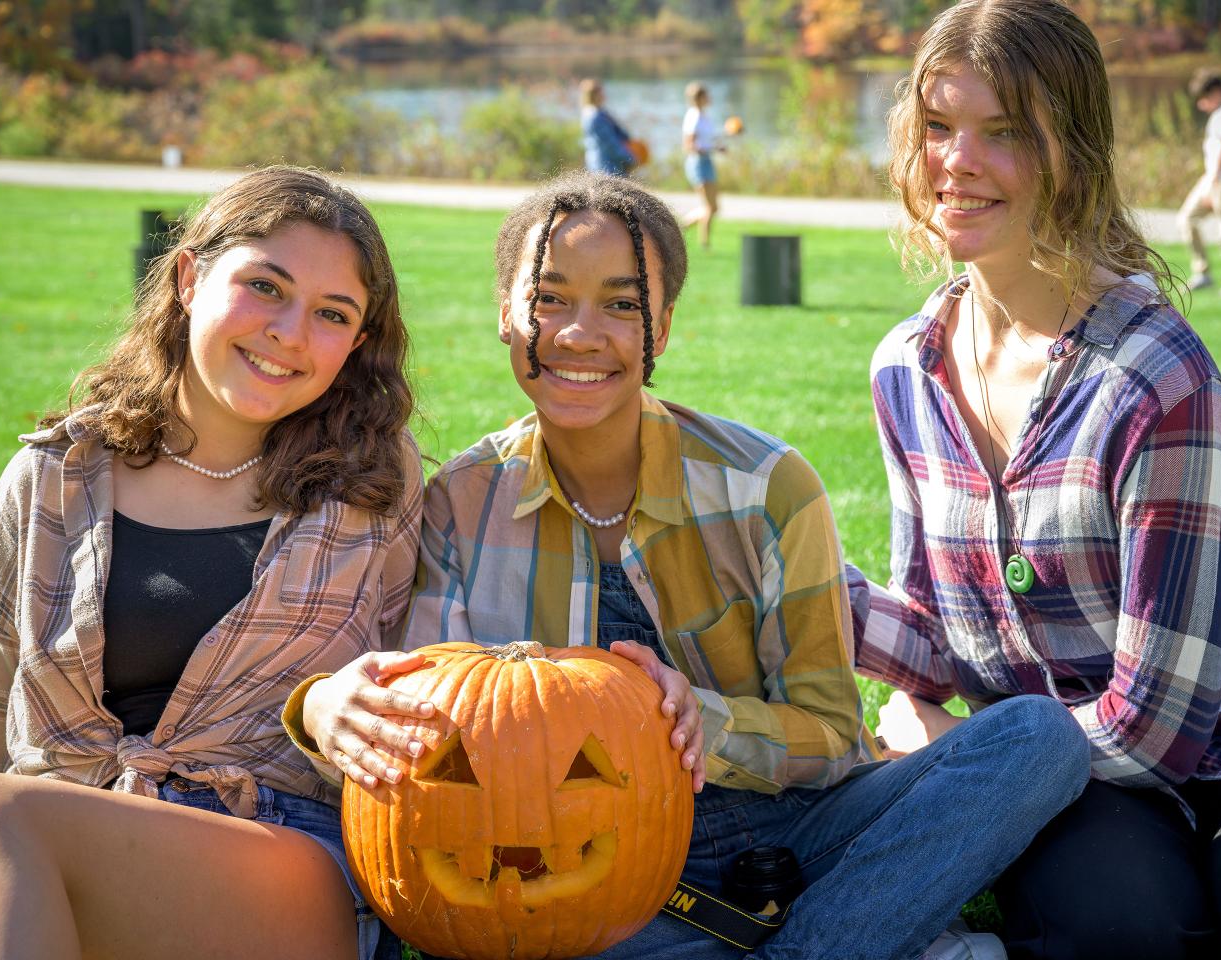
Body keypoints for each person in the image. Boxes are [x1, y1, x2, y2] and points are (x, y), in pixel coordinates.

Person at [288, 171, 1090, 960]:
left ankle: (794, 944)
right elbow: (433, 735)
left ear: (661, 329)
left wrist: (700, 722)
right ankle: (857, 933)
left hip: (798, 827)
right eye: (551, 298)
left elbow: (831, 730)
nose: (580, 333)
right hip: (589, 868)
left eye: (622, 304)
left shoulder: (765, 486)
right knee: (540, 935)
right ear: (506, 314)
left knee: (1035, 738)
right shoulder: (464, 499)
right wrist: (326, 704)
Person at [853, 2, 1221, 958]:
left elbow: (1155, 731)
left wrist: (952, 750)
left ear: (1070, 153)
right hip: (1061, 749)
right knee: (1123, 929)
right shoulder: (906, 368)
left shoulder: (1153, 378)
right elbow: (941, 636)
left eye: (1004, 134)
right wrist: (790, 597)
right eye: (939, 129)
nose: (956, 162)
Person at [0, 166, 422, 960]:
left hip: (277, 853)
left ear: (356, 343)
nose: (289, 331)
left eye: (332, 314)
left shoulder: (375, 488)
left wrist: (321, 704)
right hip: (56, 843)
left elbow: (465, 685)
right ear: (188, 277)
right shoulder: (55, 477)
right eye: (265, 287)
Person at [1177, 69, 1221, 296]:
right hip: (1211, 178)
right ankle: (1203, 272)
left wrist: (1214, 180)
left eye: (1205, 97)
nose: (1203, 102)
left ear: (1216, 92)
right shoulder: (1218, 112)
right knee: (1187, 218)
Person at [681, 81, 720, 249]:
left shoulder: (704, 116)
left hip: (707, 161)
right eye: (706, 95)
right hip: (698, 163)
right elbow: (689, 145)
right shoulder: (694, 116)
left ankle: (681, 228)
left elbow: (707, 141)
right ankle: (704, 243)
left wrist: (717, 147)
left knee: (713, 207)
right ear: (700, 98)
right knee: (708, 207)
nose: (709, 98)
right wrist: (711, 148)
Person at [580, 78, 637, 178]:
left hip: (596, 163)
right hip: (606, 166)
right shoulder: (595, 117)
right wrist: (629, 158)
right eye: (601, 92)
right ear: (594, 95)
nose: (604, 95)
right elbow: (609, 144)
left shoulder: (591, 112)